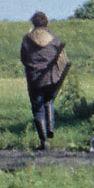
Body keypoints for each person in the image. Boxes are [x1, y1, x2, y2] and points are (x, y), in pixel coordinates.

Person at [20, 11, 71, 150]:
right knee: (49, 102)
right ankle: (50, 129)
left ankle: (44, 141)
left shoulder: (27, 39)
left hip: (35, 79)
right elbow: (61, 57)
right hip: (52, 78)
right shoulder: (54, 39)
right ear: (46, 23)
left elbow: (24, 59)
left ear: (33, 24)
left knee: (37, 109)